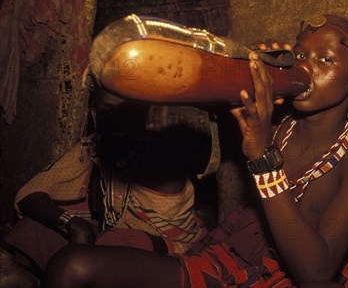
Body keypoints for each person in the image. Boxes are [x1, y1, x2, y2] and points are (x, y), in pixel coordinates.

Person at [44, 14, 348, 287]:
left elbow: (318, 271)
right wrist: (245, 71)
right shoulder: (277, 122)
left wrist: (263, 158)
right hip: (230, 261)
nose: (306, 67)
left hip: (292, 280)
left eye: (325, 60)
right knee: (71, 265)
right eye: (301, 55)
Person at [2, 85, 209, 280]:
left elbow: (150, 238)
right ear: (94, 114)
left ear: (143, 115)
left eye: (127, 111)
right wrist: (74, 223)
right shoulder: (95, 146)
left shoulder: (160, 159)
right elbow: (29, 194)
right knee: (31, 228)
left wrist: (100, 240)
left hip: (165, 250)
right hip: (107, 236)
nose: (117, 122)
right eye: (106, 111)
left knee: (108, 244)